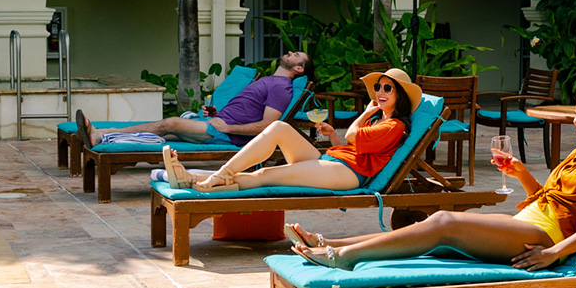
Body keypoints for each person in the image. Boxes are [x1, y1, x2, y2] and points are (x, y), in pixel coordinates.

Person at [285, 62, 576, 271]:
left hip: (545, 239)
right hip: (526, 225)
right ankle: (331, 240)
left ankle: (342, 257)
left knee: (442, 221)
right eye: (575, 112)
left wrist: (551, 254)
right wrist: (522, 174)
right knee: (436, 238)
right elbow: (545, 199)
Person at [163, 68, 416, 192]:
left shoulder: (394, 125)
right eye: (378, 88)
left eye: (387, 89)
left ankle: (198, 181)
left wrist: (366, 111)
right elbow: (352, 146)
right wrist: (331, 136)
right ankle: (213, 177)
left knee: (267, 175)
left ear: (400, 95)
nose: (380, 93)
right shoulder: (379, 123)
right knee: (279, 128)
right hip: (334, 162)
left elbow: (353, 136)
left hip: (349, 175)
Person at [80, 51, 310, 147]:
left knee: (168, 123)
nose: (290, 53)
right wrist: (217, 114)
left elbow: (269, 125)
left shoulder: (282, 87)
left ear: (299, 69)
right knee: (166, 133)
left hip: (226, 134)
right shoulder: (270, 80)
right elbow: (247, 109)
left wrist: (229, 126)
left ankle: (99, 134)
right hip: (217, 124)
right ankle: (104, 134)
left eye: (296, 55)